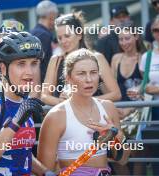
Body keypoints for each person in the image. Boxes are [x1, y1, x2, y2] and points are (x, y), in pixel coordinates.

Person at [0, 32, 54, 175]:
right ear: (3, 68)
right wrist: (14, 124)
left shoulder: (23, 99)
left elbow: (19, 151)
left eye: (34, 63)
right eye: (21, 64)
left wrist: (45, 172)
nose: (29, 72)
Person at [38, 48, 130, 176]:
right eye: (81, 73)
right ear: (68, 78)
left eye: (93, 72)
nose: (89, 79)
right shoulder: (56, 116)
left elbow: (123, 160)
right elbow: (44, 171)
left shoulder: (108, 108)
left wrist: (117, 135)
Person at [41, 12, 121, 106]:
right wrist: (64, 102)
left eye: (67, 36)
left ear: (79, 35)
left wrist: (83, 100)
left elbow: (116, 94)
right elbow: (44, 96)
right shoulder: (56, 60)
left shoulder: (97, 57)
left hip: (92, 115)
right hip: (66, 116)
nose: (63, 41)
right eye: (59, 38)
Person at [111, 22, 146, 175]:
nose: (124, 43)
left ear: (136, 37)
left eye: (127, 38)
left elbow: (148, 91)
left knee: (137, 153)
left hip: (139, 113)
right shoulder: (116, 58)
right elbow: (112, 89)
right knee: (116, 155)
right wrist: (114, 108)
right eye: (121, 39)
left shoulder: (144, 57)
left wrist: (129, 109)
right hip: (119, 113)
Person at [140, 13, 159, 175]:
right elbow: (145, 86)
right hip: (155, 113)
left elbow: (153, 88)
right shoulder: (147, 57)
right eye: (156, 30)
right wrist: (140, 91)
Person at [31, 0, 58, 82]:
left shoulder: (34, 32)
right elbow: (37, 63)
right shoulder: (44, 35)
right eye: (56, 16)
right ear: (51, 15)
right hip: (42, 84)